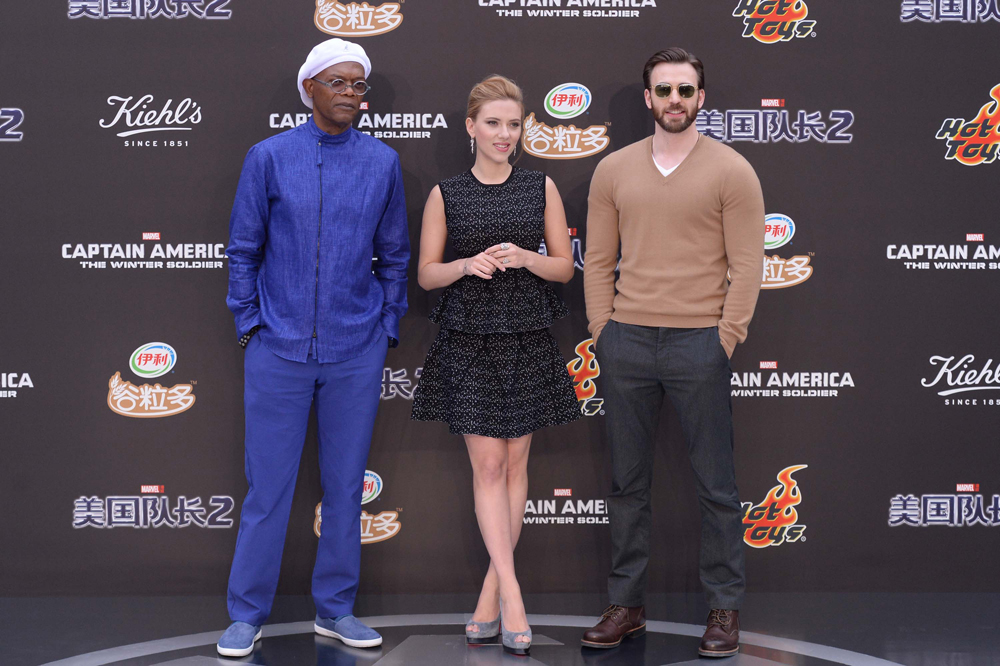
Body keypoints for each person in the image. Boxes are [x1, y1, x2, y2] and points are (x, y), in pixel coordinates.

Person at [217, 38, 409, 658]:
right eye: (338, 82)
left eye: (359, 84)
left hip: (356, 349)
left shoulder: (381, 162)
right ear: (309, 89)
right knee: (267, 490)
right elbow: (243, 249)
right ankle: (246, 615)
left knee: (346, 487)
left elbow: (395, 255)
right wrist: (250, 323)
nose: (351, 92)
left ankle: (337, 609)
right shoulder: (269, 157)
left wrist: (386, 325)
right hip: (278, 347)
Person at [581, 48, 765, 658]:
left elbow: (748, 266)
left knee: (716, 486)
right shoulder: (613, 170)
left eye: (685, 90)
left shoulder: (732, 170)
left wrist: (725, 338)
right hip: (626, 342)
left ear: (701, 97)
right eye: (664, 90)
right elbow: (599, 261)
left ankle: (724, 608)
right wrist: (603, 330)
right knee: (627, 484)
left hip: (699, 344)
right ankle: (626, 605)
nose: (675, 100)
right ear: (648, 98)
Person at [410, 75, 581, 655]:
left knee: (514, 466)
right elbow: (426, 274)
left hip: (526, 337)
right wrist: (467, 265)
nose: (504, 134)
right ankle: (513, 596)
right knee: (487, 466)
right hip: (469, 340)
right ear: (471, 127)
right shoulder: (447, 193)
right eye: (493, 123)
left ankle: (489, 597)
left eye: (513, 124)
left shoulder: (540, 186)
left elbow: (564, 268)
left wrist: (528, 257)